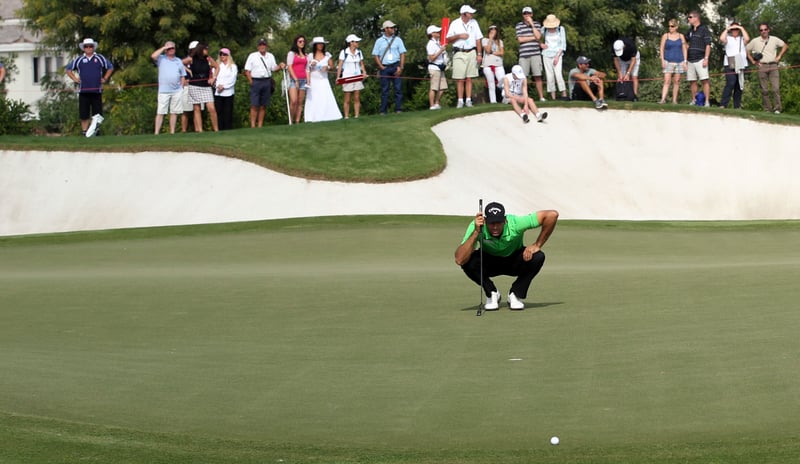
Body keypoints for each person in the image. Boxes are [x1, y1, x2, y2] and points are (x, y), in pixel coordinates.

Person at [454, 202, 558, 311]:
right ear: (485, 221)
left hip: (514, 260)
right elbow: (459, 259)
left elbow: (552, 215)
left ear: (505, 220)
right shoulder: (476, 226)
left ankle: (515, 294)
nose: (495, 227)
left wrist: (537, 244)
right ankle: (491, 293)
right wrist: (476, 232)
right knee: (468, 260)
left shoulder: (515, 223)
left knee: (538, 256)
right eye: (491, 223)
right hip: (489, 261)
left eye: (498, 223)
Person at [65, 38, 114, 135]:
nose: (88, 48)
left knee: (97, 113)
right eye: (86, 46)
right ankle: (84, 131)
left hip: (96, 90)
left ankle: (96, 130)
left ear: (93, 47)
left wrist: (105, 78)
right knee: (84, 113)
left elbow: (110, 67)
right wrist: (75, 79)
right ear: (83, 48)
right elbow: (68, 69)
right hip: (84, 90)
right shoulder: (79, 59)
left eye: (90, 46)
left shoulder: (99, 58)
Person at [746, 23, 789, 114]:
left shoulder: (774, 39)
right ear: (759, 31)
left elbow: (785, 45)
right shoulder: (755, 41)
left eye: (765, 29)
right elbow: (747, 50)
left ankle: (777, 109)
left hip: (773, 65)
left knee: (775, 88)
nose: (763, 31)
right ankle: (767, 109)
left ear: (768, 30)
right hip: (762, 66)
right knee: (764, 90)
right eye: (761, 30)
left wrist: (779, 56)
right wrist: (753, 61)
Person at [447, 5, 483, 108]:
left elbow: (478, 39)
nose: (471, 14)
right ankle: (460, 100)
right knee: (460, 78)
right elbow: (448, 39)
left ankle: (468, 100)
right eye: (469, 13)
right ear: (464, 14)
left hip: (471, 51)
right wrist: (459, 36)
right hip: (459, 52)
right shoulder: (455, 23)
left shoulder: (474, 23)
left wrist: (479, 54)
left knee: (469, 78)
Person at [244, 38, 286, 128]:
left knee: (263, 105)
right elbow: (247, 70)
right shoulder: (252, 56)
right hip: (256, 80)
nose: (262, 46)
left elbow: (274, 68)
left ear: (266, 46)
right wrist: (251, 81)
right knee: (254, 104)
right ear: (258, 46)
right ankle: (252, 125)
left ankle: (260, 125)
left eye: (264, 45)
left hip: (266, 81)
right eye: (260, 45)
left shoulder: (270, 56)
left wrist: (280, 66)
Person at [151, 41, 187, 134]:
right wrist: (164, 48)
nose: (171, 50)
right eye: (169, 49)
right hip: (164, 90)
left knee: (174, 112)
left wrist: (181, 88)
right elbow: (153, 56)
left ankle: (172, 132)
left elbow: (182, 75)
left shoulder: (178, 60)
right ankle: (156, 132)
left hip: (176, 90)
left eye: (172, 48)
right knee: (160, 112)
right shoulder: (161, 58)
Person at [371, 20, 406, 114]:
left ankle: (398, 109)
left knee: (398, 89)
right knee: (384, 90)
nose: (393, 29)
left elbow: (402, 53)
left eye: (393, 27)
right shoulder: (379, 41)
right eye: (391, 27)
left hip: (395, 65)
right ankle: (383, 111)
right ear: (386, 29)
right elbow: (375, 55)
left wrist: (401, 67)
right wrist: (381, 66)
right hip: (385, 67)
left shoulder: (398, 40)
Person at [304, 37, 342, 122]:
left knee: (325, 97)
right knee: (314, 98)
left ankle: (327, 115)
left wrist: (327, 67)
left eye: (322, 44)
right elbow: (307, 69)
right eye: (319, 44)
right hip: (314, 80)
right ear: (315, 45)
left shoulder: (327, 54)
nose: (321, 45)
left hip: (323, 79)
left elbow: (332, 66)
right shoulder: (310, 56)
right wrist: (311, 65)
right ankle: (313, 117)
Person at [184, 43, 219, 132]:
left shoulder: (208, 59)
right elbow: (179, 63)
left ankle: (216, 129)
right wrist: (188, 71)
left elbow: (217, 67)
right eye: (206, 49)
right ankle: (200, 130)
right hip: (194, 86)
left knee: (211, 108)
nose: (207, 51)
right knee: (197, 108)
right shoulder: (191, 59)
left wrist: (213, 77)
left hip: (206, 86)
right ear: (200, 50)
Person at [515, 6, 545, 101]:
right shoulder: (519, 25)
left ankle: (541, 97)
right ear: (523, 15)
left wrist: (532, 24)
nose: (527, 15)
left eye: (528, 13)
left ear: (532, 14)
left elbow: (538, 36)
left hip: (535, 53)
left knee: (538, 76)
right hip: (524, 54)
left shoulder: (537, 24)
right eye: (525, 14)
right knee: (523, 77)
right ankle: (524, 96)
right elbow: (520, 39)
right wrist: (533, 37)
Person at [719, 22, 750, 109]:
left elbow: (747, 39)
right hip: (729, 63)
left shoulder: (741, 39)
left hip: (741, 63)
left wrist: (741, 28)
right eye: (733, 29)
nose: (735, 31)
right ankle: (723, 104)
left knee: (739, 85)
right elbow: (721, 38)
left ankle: (737, 105)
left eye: (736, 29)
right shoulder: (728, 38)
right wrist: (728, 28)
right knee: (730, 83)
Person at [336, 34, 367, 119]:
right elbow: (340, 65)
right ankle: (346, 116)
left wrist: (364, 72)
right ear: (351, 42)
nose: (358, 43)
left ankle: (357, 115)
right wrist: (338, 77)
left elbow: (361, 64)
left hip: (357, 77)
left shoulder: (359, 52)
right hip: (347, 77)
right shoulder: (344, 52)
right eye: (356, 42)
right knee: (347, 99)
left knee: (357, 97)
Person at [685, 11, 712, 107]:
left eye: (690, 17)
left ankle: (707, 102)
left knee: (704, 80)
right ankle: (694, 100)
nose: (689, 19)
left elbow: (708, 45)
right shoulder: (690, 30)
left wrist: (706, 58)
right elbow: (685, 42)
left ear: (696, 18)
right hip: (690, 59)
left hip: (701, 58)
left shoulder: (704, 29)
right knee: (692, 81)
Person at [659, 19, 687, 104]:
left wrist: (685, 61)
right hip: (668, 60)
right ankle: (663, 99)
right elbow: (661, 48)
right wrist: (662, 60)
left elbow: (684, 48)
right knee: (667, 80)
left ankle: (674, 100)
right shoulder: (665, 36)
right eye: (669, 26)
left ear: (676, 27)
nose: (670, 28)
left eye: (672, 26)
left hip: (679, 61)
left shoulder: (681, 36)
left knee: (677, 81)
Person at [541, 14, 568, 101]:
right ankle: (553, 97)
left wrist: (557, 56)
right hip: (546, 54)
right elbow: (537, 38)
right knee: (549, 76)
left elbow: (563, 44)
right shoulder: (544, 29)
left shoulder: (560, 29)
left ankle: (564, 94)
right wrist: (540, 44)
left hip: (557, 54)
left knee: (558, 74)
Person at [287, 35, 309, 124]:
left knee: (300, 102)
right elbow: (289, 67)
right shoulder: (291, 53)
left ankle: (297, 120)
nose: (302, 43)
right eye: (300, 41)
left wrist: (308, 80)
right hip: (294, 80)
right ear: (296, 43)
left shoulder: (306, 55)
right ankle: (291, 120)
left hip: (303, 79)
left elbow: (307, 69)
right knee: (293, 101)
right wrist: (295, 79)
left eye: (303, 41)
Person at [426, 25, 448, 110]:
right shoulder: (430, 44)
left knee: (443, 87)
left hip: (440, 67)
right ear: (432, 34)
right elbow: (431, 58)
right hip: (434, 67)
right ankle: (432, 106)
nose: (439, 33)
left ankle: (436, 103)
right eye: (436, 32)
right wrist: (440, 51)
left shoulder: (438, 42)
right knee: (434, 88)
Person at [214, 48, 237, 130]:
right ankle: (219, 129)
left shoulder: (233, 67)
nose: (222, 56)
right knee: (218, 112)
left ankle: (228, 129)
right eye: (221, 54)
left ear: (228, 56)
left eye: (224, 54)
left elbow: (232, 79)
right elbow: (214, 77)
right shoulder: (217, 66)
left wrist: (224, 86)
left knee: (228, 112)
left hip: (228, 92)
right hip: (218, 92)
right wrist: (218, 86)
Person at [481, 25, 505, 104]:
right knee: (491, 83)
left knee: (503, 81)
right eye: (491, 31)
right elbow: (487, 50)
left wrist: (493, 52)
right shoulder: (485, 40)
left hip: (498, 64)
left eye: (494, 31)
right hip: (488, 64)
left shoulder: (499, 41)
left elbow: (502, 52)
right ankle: (493, 101)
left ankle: (506, 97)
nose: (493, 32)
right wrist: (490, 39)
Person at [181, 40, 198, 133]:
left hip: (196, 86)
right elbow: (178, 63)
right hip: (187, 87)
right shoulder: (186, 60)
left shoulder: (200, 60)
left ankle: (197, 130)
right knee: (185, 111)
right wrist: (188, 69)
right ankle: (183, 130)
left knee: (197, 109)